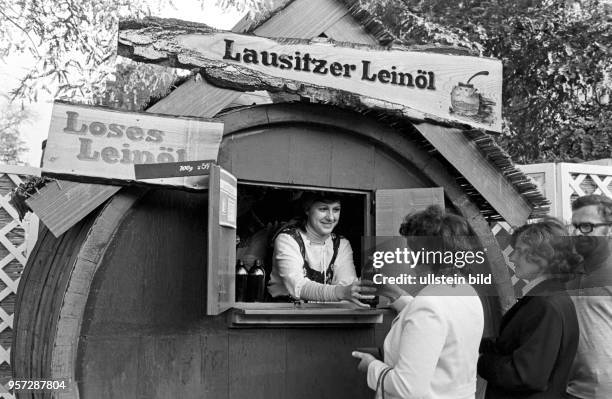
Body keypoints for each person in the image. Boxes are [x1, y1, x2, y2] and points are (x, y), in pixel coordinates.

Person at [352, 205, 484, 399]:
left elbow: (407, 388)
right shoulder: (467, 292)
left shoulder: (429, 305)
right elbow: (439, 322)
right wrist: (391, 292)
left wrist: (372, 366)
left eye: (411, 250)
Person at [478, 218, 580, 399]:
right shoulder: (549, 297)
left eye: (519, 251)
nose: (512, 257)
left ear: (543, 255)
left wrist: (480, 361)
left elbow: (526, 375)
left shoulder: (545, 304)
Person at [267, 192, 374, 305]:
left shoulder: (341, 244)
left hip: (325, 317)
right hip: (283, 316)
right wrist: (341, 292)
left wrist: (351, 291)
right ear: (307, 209)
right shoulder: (288, 239)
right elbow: (297, 286)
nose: (331, 217)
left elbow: (346, 289)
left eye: (336, 209)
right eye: (323, 209)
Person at [565, 194, 612, 399]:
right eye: (574, 226)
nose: (576, 233)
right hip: (569, 391)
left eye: (586, 226)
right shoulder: (568, 273)